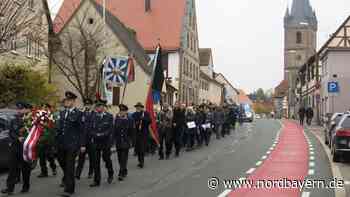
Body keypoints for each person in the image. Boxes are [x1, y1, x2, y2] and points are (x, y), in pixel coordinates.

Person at [56, 91, 85, 197]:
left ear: (73, 101)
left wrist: (82, 144)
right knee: (61, 161)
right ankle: (68, 176)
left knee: (70, 166)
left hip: (72, 144)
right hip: (61, 143)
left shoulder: (79, 114)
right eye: (66, 100)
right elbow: (60, 128)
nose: (66, 102)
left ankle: (69, 189)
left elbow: (82, 130)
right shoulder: (62, 113)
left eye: (68, 100)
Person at [1, 102, 33, 195]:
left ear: (26, 109)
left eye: (21, 109)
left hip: (25, 148)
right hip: (15, 147)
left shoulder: (31, 120)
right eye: (18, 109)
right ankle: (10, 188)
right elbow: (11, 133)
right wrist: (17, 138)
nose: (19, 111)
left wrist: (26, 139)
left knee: (25, 168)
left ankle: (26, 186)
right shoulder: (14, 120)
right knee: (12, 168)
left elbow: (33, 134)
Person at [89, 99, 114, 187]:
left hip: (105, 142)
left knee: (107, 159)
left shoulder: (109, 116)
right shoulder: (93, 117)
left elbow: (110, 130)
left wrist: (102, 134)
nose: (99, 108)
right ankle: (97, 180)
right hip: (96, 142)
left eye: (100, 106)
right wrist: (95, 134)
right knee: (96, 161)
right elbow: (90, 129)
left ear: (103, 107)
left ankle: (110, 173)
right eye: (97, 107)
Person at [75, 99, 95, 180]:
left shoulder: (94, 114)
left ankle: (91, 172)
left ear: (91, 106)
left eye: (89, 105)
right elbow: (79, 128)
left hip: (91, 139)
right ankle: (77, 174)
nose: (87, 106)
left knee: (92, 158)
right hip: (83, 140)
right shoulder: (81, 114)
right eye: (86, 105)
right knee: (81, 158)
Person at [114, 104, 134, 181]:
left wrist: (132, 141)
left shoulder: (130, 119)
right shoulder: (117, 119)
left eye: (123, 111)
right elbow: (115, 130)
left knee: (123, 158)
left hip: (126, 141)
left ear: (126, 112)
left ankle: (121, 173)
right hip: (119, 141)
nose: (122, 112)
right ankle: (124, 169)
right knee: (119, 158)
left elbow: (132, 131)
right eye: (121, 111)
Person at [37, 103, 57, 178]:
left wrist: (46, 125)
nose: (44, 109)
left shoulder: (51, 116)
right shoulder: (39, 117)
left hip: (48, 140)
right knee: (41, 157)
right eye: (42, 108)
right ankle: (44, 172)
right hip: (40, 139)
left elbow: (53, 128)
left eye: (45, 108)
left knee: (49, 156)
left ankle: (53, 167)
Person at [132, 102, 151, 168]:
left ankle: (142, 161)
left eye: (139, 106)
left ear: (141, 107)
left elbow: (149, 120)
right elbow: (132, 122)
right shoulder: (134, 114)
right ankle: (139, 160)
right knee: (138, 148)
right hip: (137, 133)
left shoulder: (145, 113)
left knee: (142, 148)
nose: (138, 107)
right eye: (137, 106)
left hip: (144, 133)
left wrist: (143, 118)